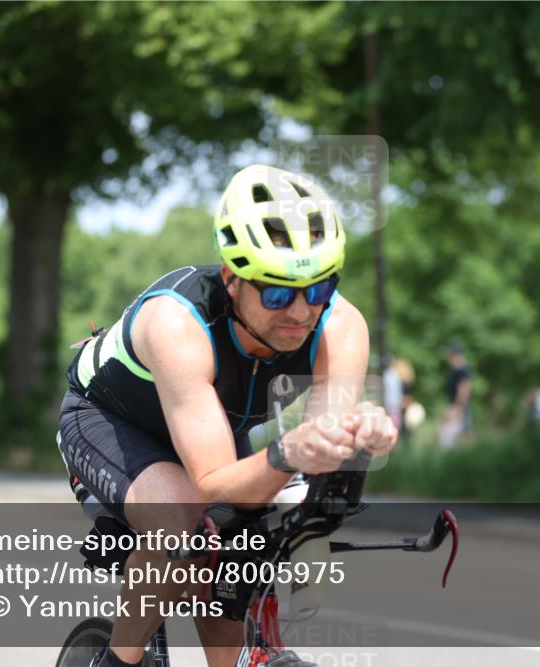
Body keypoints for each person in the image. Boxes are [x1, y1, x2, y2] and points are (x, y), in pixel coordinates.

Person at [58, 164, 399, 667]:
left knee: (242, 550)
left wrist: (357, 436)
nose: (301, 313)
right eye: (278, 293)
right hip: (108, 420)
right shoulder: (177, 323)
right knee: (182, 519)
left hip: (209, 431)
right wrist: (287, 454)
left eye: (319, 289)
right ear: (232, 279)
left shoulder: (341, 327)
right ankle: (118, 660)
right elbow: (215, 481)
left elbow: (320, 445)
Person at [438, 341, 472, 448]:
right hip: (457, 406)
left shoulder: (461, 370)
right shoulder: (459, 369)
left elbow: (464, 389)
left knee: (459, 438)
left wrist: (458, 408)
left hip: (458, 407)